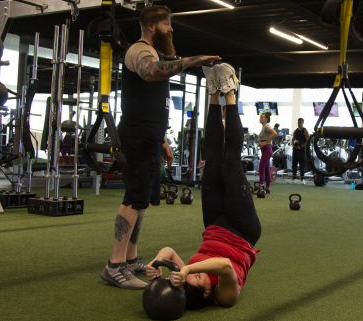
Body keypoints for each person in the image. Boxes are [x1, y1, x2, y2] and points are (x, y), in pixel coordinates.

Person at [100, 4, 221, 290]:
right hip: (137, 135)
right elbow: (151, 72)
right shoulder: (138, 51)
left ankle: (129, 260)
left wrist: (163, 140)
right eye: (168, 23)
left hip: (150, 135)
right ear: (152, 25)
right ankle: (114, 266)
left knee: (141, 200)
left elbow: (151, 101)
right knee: (134, 197)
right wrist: (189, 61)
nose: (172, 28)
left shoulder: (154, 53)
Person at [145, 74, 259, 309]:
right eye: (196, 278)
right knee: (230, 163)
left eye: (190, 276)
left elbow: (168, 251)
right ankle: (229, 92)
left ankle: (213, 95)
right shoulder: (225, 296)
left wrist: (156, 262)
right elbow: (226, 266)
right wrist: (188, 268)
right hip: (242, 232)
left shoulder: (188, 278)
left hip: (214, 224)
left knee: (212, 163)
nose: (192, 274)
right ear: (207, 293)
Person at [256, 112, 276, 193]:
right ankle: (267, 189)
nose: (260, 118)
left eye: (262, 117)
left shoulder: (267, 126)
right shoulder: (264, 127)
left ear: (266, 119)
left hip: (267, 150)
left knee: (261, 169)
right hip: (264, 150)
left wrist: (266, 142)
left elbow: (274, 133)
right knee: (267, 170)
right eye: (260, 117)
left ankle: (260, 187)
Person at [288, 118, 309, 185]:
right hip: (296, 149)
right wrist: (293, 145)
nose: (299, 124)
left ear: (302, 123)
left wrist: (301, 146)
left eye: (300, 123)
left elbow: (307, 141)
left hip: (302, 149)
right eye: (298, 122)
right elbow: (293, 139)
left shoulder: (305, 131)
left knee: (301, 164)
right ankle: (293, 178)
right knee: (294, 163)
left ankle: (302, 179)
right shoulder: (295, 131)